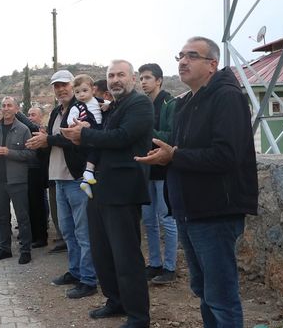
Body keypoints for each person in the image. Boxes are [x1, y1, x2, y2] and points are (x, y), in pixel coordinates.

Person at [136, 36, 258, 327]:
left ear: (212, 64)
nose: (183, 61)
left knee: (221, 297)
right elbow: (181, 152)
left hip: (215, 212)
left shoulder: (227, 97)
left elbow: (226, 156)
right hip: (189, 211)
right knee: (203, 291)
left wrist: (174, 156)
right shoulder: (187, 102)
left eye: (192, 56)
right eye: (180, 55)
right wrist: (165, 156)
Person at [61, 60, 152, 327]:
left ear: (132, 78)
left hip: (124, 191)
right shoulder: (112, 107)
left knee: (126, 256)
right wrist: (79, 137)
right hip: (100, 189)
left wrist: (85, 134)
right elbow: (102, 140)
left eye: (121, 74)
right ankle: (115, 301)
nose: (115, 79)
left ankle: (138, 316)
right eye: (111, 75)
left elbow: (122, 137)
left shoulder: (139, 104)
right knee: (103, 253)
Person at [25, 70, 97, 300]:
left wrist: (49, 139)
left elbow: (78, 137)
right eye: (56, 86)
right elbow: (55, 140)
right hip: (58, 178)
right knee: (68, 232)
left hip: (76, 179)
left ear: (72, 85)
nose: (60, 90)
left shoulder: (82, 107)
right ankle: (75, 272)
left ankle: (89, 280)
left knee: (83, 232)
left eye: (64, 85)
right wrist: (41, 142)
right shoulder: (57, 111)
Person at [138, 63, 178, 285]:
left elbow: (171, 136)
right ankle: (154, 264)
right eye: (141, 78)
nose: (143, 81)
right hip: (146, 171)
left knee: (167, 220)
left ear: (159, 80)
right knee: (149, 221)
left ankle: (170, 268)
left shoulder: (169, 103)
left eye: (147, 78)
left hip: (164, 172)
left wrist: (146, 130)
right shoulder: (143, 104)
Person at [0, 96, 36, 264]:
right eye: (3, 106)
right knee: (1, 216)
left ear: (16, 109)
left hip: (17, 180)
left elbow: (31, 154)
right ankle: (5, 248)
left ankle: (25, 250)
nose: (6, 108)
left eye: (9, 105)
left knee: (22, 217)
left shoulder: (23, 129)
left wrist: (10, 152)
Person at [21, 107, 65, 253]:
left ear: (41, 117)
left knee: (45, 205)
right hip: (43, 173)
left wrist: (18, 113)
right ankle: (59, 237)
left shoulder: (41, 130)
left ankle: (48, 237)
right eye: (28, 115)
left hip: (48, 173)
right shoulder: (28, 130)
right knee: (43, 206)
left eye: (33, 115)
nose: (30, 117)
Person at [68, 74, 107, 198]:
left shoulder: (97, 101)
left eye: (85, 91)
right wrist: (78, 124)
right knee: (94, 151)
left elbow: (110, 103)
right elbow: (70, 120)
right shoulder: (77, 106)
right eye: (77, 92)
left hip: (99, 130)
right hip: (89, 131)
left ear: (93, 89)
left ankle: (85, 182)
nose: (82, 95)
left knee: (98, 152)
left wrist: (108, 105)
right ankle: (88, 172)